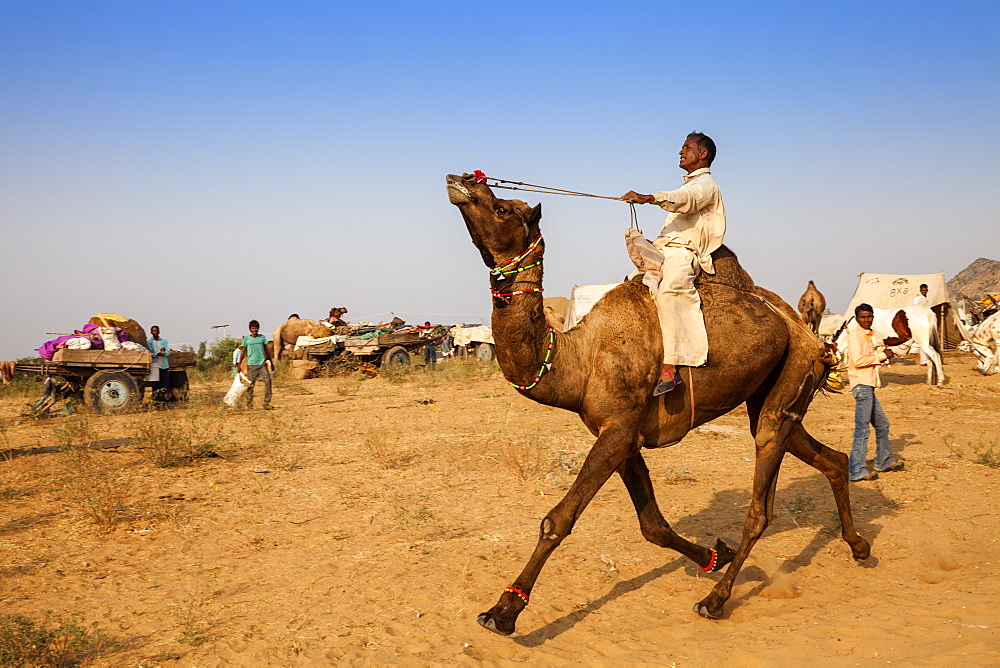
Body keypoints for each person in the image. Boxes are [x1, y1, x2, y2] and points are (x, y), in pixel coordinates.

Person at [622, 132, 726, 395]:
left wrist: (649, 198)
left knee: (670, 293)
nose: (680, 151)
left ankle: (671, 368)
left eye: (686, 147)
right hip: (663, 252)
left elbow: (686, 200)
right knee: (630, 287)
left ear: (702, 154)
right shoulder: (688, 185)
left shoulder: (705, 186)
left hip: (683, 255)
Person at [846, 303, 904, 482]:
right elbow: (858, 361)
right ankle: (855, 470)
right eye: (863, 317)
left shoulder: (868, 336)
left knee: (882, 424)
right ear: (857, 318)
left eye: (869, 316)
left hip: (868, 385)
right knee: (862, 429)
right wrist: (882, 356)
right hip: (862, 386)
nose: (867, 320)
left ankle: (883, 461)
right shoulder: (856, 336)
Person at [236, 319, 274, 409]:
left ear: (258, 328)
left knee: (268, 381)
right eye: (253, 328)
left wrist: (271, 362)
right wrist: (239, 365)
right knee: (250, 385)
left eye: (256, 328)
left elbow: (266, 350)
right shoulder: (247, 339)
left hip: (262, 365)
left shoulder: (262, 338)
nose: (254, 330)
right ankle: (249, 404)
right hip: (251, 365)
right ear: (250, 329)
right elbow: (243, 352)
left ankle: (266, 403)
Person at [147, 325, 170, 399]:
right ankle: (156, 399)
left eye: (156, 330)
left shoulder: (164, 341)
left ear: (159, 332)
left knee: (165, 384)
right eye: (154, 330)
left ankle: (165, 399)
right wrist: (157, 354)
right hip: (154, 365)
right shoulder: (149, 342)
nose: (155, 332)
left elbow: (168, 352)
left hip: (163, 365)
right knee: (155, 384)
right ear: (151, 332)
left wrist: (163, 353)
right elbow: (149, 353)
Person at [912, 284, 931, 365]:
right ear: (920, 290)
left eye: (925, 290)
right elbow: (915, 308)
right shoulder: (917, 299)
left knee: (926, 341)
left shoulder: (927, 298)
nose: (924, 292)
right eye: (922, 290)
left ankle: (926, 359)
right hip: (920, 320)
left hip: (926, 319)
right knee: (922, 341)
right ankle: (923, 360)